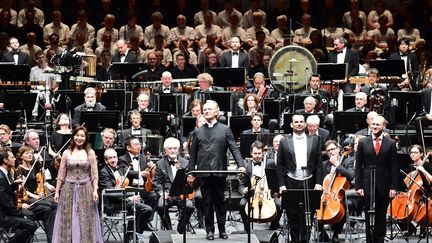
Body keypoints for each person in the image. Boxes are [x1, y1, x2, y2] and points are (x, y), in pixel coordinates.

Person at [187, 100, 246, 240]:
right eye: (205, 109)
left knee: (220, 201)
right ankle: (209, 231)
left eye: (209, 109)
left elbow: (234, 149)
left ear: (216, 112)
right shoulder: (198, 131)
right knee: (207, 202)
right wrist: (190, 172)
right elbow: (193, 153)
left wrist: (241, 165)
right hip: (204, 172)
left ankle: (222, 230)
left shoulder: (225, 129)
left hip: (220, 171)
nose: (206, 111)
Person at [277, 114, 323, 242]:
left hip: (309, 181)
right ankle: (295, 240)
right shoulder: (284, 141)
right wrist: (281, 185)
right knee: (292, 215)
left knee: (308, 214)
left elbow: (319, 164)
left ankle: (305, 240)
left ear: (305, 124)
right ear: (291, 124)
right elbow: (279, 164)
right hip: (291, 181)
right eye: (296, 122)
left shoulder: (315, 140)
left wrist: (318, 183)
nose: (299, 124)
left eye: (301, 122)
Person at [52, 126, 103, 242]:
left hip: (86, 189)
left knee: (84, 218)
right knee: (68, 217)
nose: (79, 138)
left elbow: (94, 174)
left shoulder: (90, 153)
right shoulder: (66, 153)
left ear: (86, 138)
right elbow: (61, 173)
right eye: (77, 135)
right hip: (68, 189)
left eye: (82, 136)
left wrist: (95, 190)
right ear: (73, 136)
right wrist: (56, 191)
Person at [355, 115, 398, 243]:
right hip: (367, 183)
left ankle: (379, 240)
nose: (374, 127)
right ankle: (370, 240)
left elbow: (394, 166)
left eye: (377, 125)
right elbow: (358, 165)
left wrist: (394, 187)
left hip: (384, 184)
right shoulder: (363, 142)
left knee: (381, 215)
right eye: (373, 124)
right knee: (369, 215)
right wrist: (359, 186)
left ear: (383, 127)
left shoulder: (391, 143)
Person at [98, 148, 153, 240]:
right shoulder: (103, 172)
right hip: (112, 204)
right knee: (140, 208)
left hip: (123, 202)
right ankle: (131, 236)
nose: (113, 160)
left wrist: (142, 173)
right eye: (110, 158)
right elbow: (109, 193)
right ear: (106, 160)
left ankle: (134, 233)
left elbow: (130, 173)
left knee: (147, 210)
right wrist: (129, 198)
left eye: (114, 157)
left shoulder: (120, 169)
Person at [153, 137, 195, 233]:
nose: (172, 150)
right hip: (167, 194)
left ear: (178, 150)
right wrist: (162, 193)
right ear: (165, 150)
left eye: (175, 148)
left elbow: (191, 181)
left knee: (190, 206)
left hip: (182, 194)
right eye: (170, 148)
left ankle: (180, 229)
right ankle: (169, 230)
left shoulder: (186, 162)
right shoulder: (160, 164)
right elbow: (156, 182)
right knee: (160, 205)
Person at [15, 145, 56, 243]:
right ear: (21, 156)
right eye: (26, 153)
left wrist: (42, 190)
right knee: (50, 206)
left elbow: (41, 181)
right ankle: (52, 238)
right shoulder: (18, 170)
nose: (30, 154)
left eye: (31, 153)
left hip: (38, 197)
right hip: (27, 198)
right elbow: (22, 189)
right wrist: (35, 196)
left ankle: (53, 238)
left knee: (53, 206)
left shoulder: (36, 166)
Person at [238, 141, 281, 232]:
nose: (257, 155)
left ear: (263, 153)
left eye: (259, 153)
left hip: (267, 193)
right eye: (255, 153)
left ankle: (273, 228)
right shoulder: (246, 166)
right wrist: (244, 190)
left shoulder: (270, 163)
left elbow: (276, 179)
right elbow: (241, 184)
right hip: (252, 194)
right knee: (242, 204)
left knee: (278, 204)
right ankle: (247, 229)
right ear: (251, 153)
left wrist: (275, 190)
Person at [318, 140, 355, 242]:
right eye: (328, 150)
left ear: (338, 149)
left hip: (342, 194)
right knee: (315, 206)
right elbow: (320, 180)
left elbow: (351, 176)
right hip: (326, 193)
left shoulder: (347, 161)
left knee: (342, 206)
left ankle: (336, 235)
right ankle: (323, 233)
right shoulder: (324, 164)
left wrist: (337, 165)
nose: (331, 152)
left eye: (333, 149)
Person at [0, 147, 37, 243]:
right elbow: (5, 203)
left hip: (7, 211)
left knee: (31, 215)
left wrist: (14, 185)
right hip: (3, 215)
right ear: (5, 160)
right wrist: (20, 213)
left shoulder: (4, 173)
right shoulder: (1, 177)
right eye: (12, 157)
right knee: (31, 225)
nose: (15, 159)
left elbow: (5, 192)